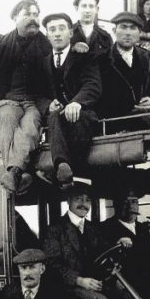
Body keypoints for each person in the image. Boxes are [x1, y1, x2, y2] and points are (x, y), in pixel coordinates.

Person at [0, 0, 51, 195]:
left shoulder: (47, 43)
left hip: (35, 102)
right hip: (9, 100)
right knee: (6, 118)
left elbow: (65, 48)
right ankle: (18, 171)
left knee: (31, 124)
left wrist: (78, 46)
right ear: (15, 17)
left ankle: (12, 171)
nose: (33, 19)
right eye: (27, 14)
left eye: (35, 14)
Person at [36, 13, 102, 187]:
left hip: (83, 115)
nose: (57, 33)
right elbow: (37, 94)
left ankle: (60, 167)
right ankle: (63, 166)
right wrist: (47, 104)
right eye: (52, 30)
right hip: (56, 119)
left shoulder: (85, 56)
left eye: (61, 28)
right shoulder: (42, 63)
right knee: (55, 115)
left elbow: (93, 85)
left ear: (71, 33)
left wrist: (77, 102)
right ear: (47, 35)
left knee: (69, 119)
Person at [42, 182, 111, 299]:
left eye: (87, 200)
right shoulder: (55, 229)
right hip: (66, 288)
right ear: (68, 201)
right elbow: (52, 264)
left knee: (123, 294)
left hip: (93, 284)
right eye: (79, 199)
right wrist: (79, 280)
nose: (84, 204)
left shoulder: (93, 229)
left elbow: (105, 252)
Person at [99, 188, 150, 299]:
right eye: (125, 202)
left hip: (148, 285)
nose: (131, 206)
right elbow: (101, 258)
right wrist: (115, 244)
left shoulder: (146, 229)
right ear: (116, 205)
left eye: (134, 201)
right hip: (122, 286)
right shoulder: (104, 228)